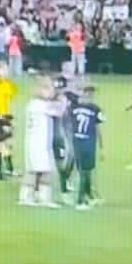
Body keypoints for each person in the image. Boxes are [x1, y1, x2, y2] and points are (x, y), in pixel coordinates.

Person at [18, 78, 62, 209]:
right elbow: (59, 112)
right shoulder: (42, 105)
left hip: (33, 143)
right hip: (40, 144)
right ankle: (41, 198)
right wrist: (62, 101)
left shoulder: (32, 104)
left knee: (33, 170)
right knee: (43, 171)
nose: (53, 92)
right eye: (50, 88)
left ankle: (27, 196)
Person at [69, 83, 104, 209]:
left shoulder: (73, 107)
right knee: (86, 172)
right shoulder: (95, 109)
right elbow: (98, 129)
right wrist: (102, 147)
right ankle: (80, 201)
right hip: (88, 143)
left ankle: (89, 196)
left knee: (83, 171)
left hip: (76, 142)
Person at [52, 70, 81, 202]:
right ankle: (63, 189)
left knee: (71, 157)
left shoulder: (72, 97)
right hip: (58, 134)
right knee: (61, 160)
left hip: (69, 131)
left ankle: (66, 179)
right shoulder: (52, 99)